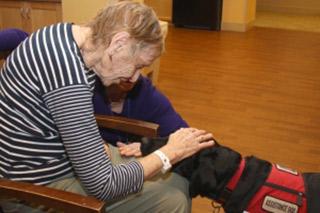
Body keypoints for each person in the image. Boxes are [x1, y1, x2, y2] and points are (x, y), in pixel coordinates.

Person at [0, 1, 214, 213]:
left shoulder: (62, 36)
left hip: (58, 160)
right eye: (137, 65)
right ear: (118, 43)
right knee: (172, 201)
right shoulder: (69, 79)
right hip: (32, 193)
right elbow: (103, 186)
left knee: (179, 182)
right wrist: (168, 153)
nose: (134, 77)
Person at [93, 75, 188, 145]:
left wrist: (148, 147)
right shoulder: (85, 87)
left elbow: (185, 137)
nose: (133, 77)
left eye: (139, 66)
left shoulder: (147, 95)